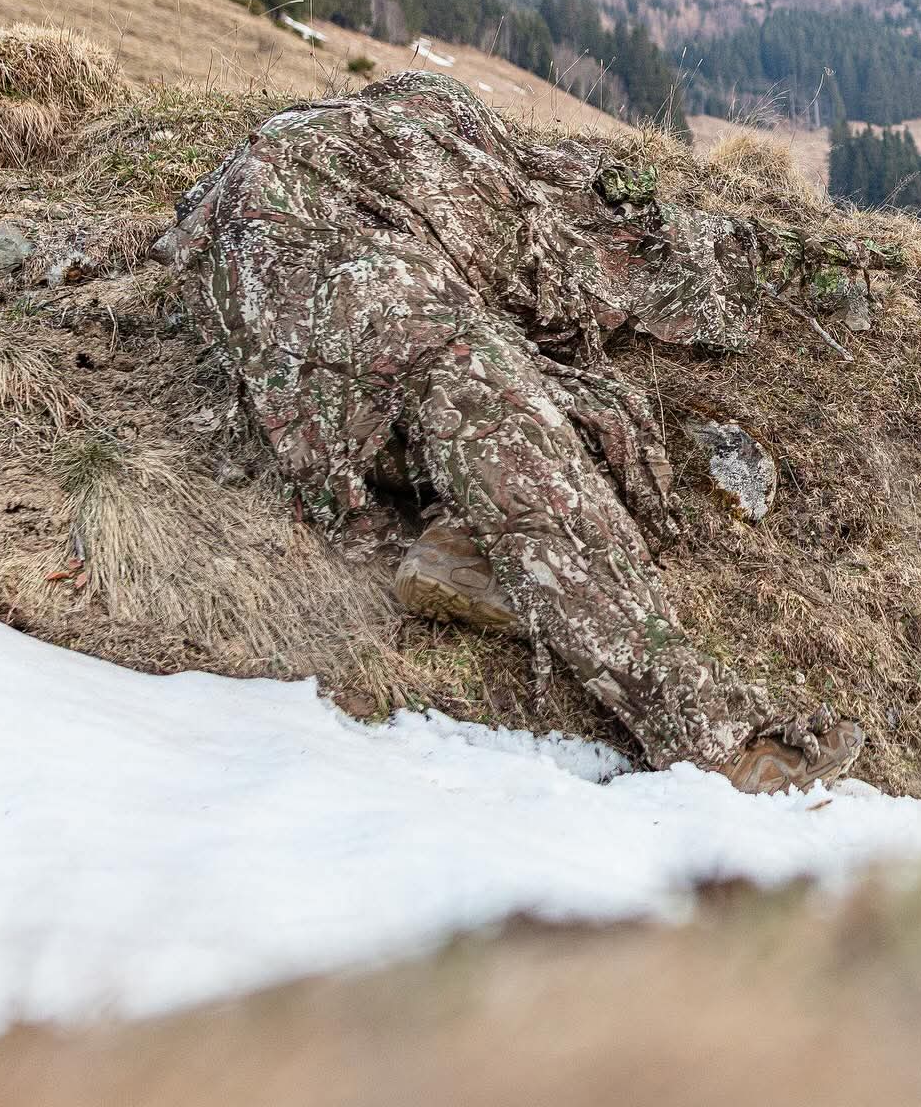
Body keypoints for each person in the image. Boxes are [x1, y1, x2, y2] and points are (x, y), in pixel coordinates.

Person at [152, 71, 876, 793]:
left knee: (457, 420)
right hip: (387, 302)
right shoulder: (480, 181)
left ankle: (454, 542)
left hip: (274, 334)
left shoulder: (331, 134)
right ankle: (726, 745)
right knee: (541, 472)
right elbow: (559, 285)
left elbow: (179, 235)